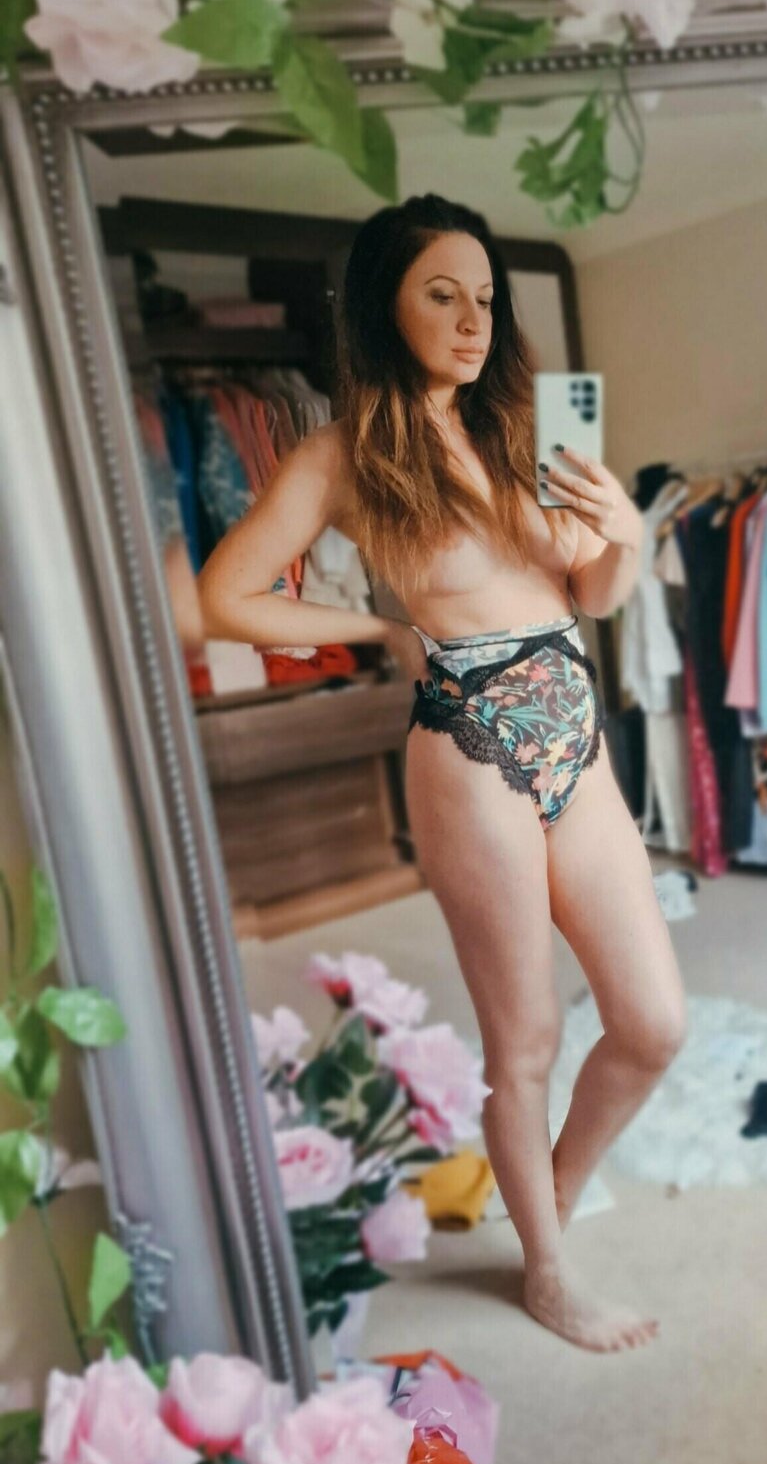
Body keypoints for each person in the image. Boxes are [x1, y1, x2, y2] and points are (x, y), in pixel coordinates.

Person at [197, 192, 688, 1353]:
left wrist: (627, 531)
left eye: (485, 298)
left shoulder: (521, 428)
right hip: (469, 743)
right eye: (442, 294)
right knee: (526, 1039)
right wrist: (378, 629)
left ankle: (546, 1197)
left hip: (574, 726)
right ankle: (550, 1272)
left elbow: (591, 592)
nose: (474, 320)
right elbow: (225, 595)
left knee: (653, 1021)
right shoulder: (341, 454)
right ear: (387, 304)